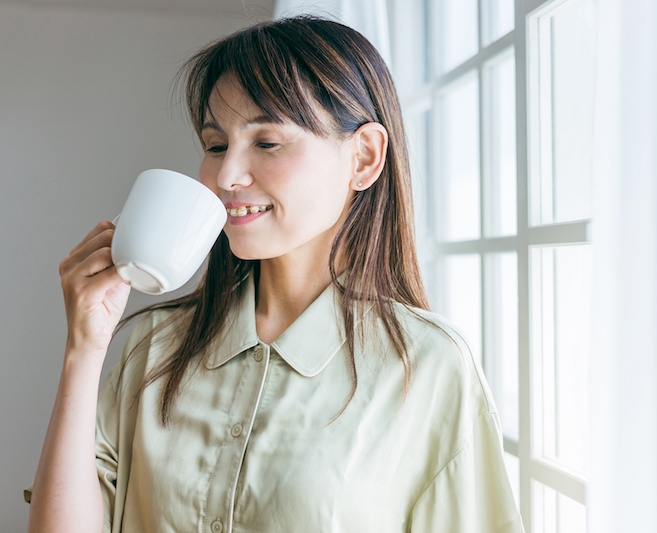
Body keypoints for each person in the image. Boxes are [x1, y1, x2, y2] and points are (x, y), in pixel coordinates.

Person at [26, 16, 524, 533]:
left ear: (365, 157)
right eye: (216, 145)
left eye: (267, 142)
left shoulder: (428, 367)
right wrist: (83, 349)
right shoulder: (153, 346)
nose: (226, 176)